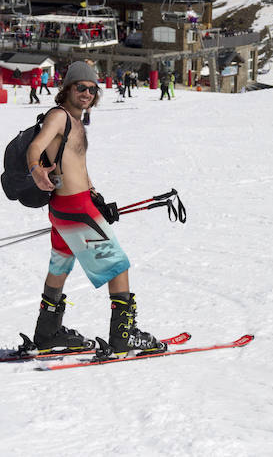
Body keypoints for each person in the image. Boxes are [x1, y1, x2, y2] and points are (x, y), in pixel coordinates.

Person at [25, 61, 164, 355]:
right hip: (74, 208)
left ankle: (47, 332)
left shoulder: (76, 122)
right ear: (67, 89)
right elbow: (36, 147)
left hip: (68, 207)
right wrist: (36, 169)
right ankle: (124, 335)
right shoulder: (58, 116)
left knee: (60, 264)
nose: (87, 92)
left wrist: (96, 197)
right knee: (118, 266)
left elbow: (77, 165)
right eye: (81, 87)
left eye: (92, 88)